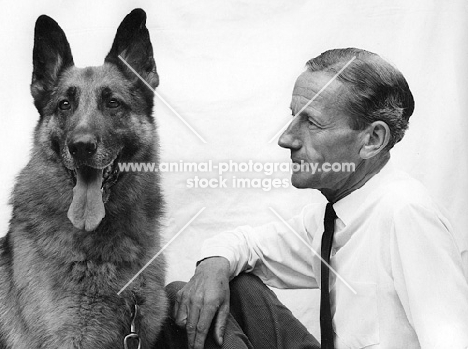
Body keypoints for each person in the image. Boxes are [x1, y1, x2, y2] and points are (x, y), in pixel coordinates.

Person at [156, 48, 468, 349]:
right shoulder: (332, 217)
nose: (286, 139)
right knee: (209, 290)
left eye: (312, 123)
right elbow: (248, 245)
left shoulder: (405, 212)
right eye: (294, 118)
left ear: (372, 139)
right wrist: (213, 265)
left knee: (188, 305)